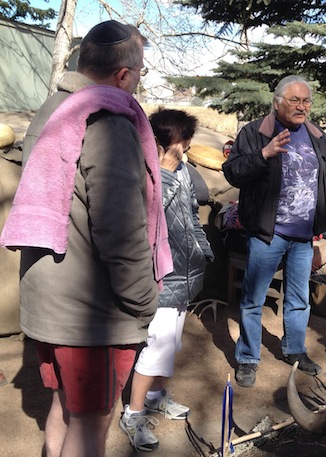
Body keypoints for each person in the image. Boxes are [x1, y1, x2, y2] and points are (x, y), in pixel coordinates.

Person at [0, 20, 172, 457]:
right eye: (141, 73)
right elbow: (120, 227)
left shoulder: (55, 106)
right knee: (93, 424)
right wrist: (144, 300)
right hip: (90, 314)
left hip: (52, 301)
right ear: (123, 74)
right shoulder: (109, 119)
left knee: (66, 407)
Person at [222, 75, 326, 388]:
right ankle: (247, 356)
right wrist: (264, 155)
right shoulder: (255, 132)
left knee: (299, 299)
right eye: (294, 100)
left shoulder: (316, 134)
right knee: (253, 299)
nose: (302, 107)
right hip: (267, 234)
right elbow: (233, 172)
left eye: (306, 101)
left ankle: (295, 350)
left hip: (304, 237)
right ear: (277, 103)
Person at [120, 108, 214, 451]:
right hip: (160, 276)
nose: (185, 153)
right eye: (181, 146)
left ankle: (157, 395)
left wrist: (203, 249)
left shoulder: (183, 170)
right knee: (155, 346)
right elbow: (149, 218)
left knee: (170, 344)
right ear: (160, 143)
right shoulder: (145, 173)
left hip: (186, 274)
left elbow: (191, 212)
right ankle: (133, 412)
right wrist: (168, 172)